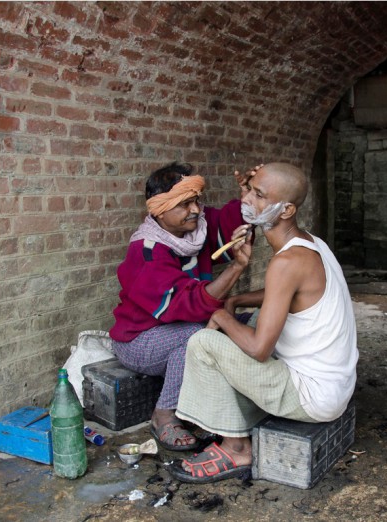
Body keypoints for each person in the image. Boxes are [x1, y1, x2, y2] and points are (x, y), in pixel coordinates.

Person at [169, 162, 359, 484]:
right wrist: (238, 300)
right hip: (334, 388)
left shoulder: (286, 262)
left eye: (258, 195)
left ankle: (236, 448)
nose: (246, 200)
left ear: (285, 209)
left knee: (203, 342)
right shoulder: (310, 243)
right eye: (249, 190)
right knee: (250, 317)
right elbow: (288, 295)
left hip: (311, 397)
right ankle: (236, 420)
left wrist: (220, 314)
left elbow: (259, 350)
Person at [109, 162, 253, 451]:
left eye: (196, 200)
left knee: (225, 327)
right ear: (160, 209)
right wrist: (237, 267)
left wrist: (248, 199)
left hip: (178, 331)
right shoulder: (147, 252)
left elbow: (225, 222)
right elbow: (187, 304)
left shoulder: (195, 230)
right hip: (140, 341)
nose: (196, 209)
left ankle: (196, 409)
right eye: (185, 204)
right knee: (205, 331)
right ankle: (164, 414)